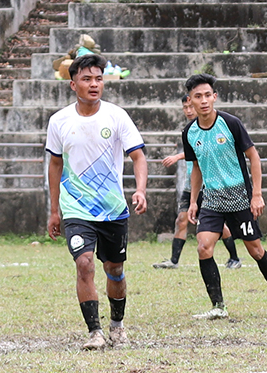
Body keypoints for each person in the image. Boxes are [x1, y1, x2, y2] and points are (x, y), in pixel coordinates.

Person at [46, 53, 148, 350]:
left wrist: (140, 189)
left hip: (113, 209)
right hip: (76, 208)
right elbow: (54, 165)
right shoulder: (59, 121)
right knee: (85, 263)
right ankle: (95, 332)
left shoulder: (116, 116)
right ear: (72, 84)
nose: (94, 84)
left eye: (99, 79)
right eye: (87, 79)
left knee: (114, 270)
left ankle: (116, 325)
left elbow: (138, 156)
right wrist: (55, 210)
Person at [182, 74, 267, 319]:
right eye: (198, 96)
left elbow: (254, 157)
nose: (204, 100)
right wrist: (193, 202)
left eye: (208, 95)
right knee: (203, 247)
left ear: (214, 97)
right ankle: (218, 307)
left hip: (240, 196)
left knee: (256, 251)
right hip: (211, 199)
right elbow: (196, 167)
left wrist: (257, 194)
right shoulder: (189, 132)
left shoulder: (230, 123)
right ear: (191, 101)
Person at [154, 95, 242, 270]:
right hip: (191, 184)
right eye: (185, 108)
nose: (188, 111)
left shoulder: (211, 126)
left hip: (209, 184)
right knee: (181, 219)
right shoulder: (189, 131)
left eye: (190, 107)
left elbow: (203, 152)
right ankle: (173, 260)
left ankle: (234, 258)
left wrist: (177, 156)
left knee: (219, 226)